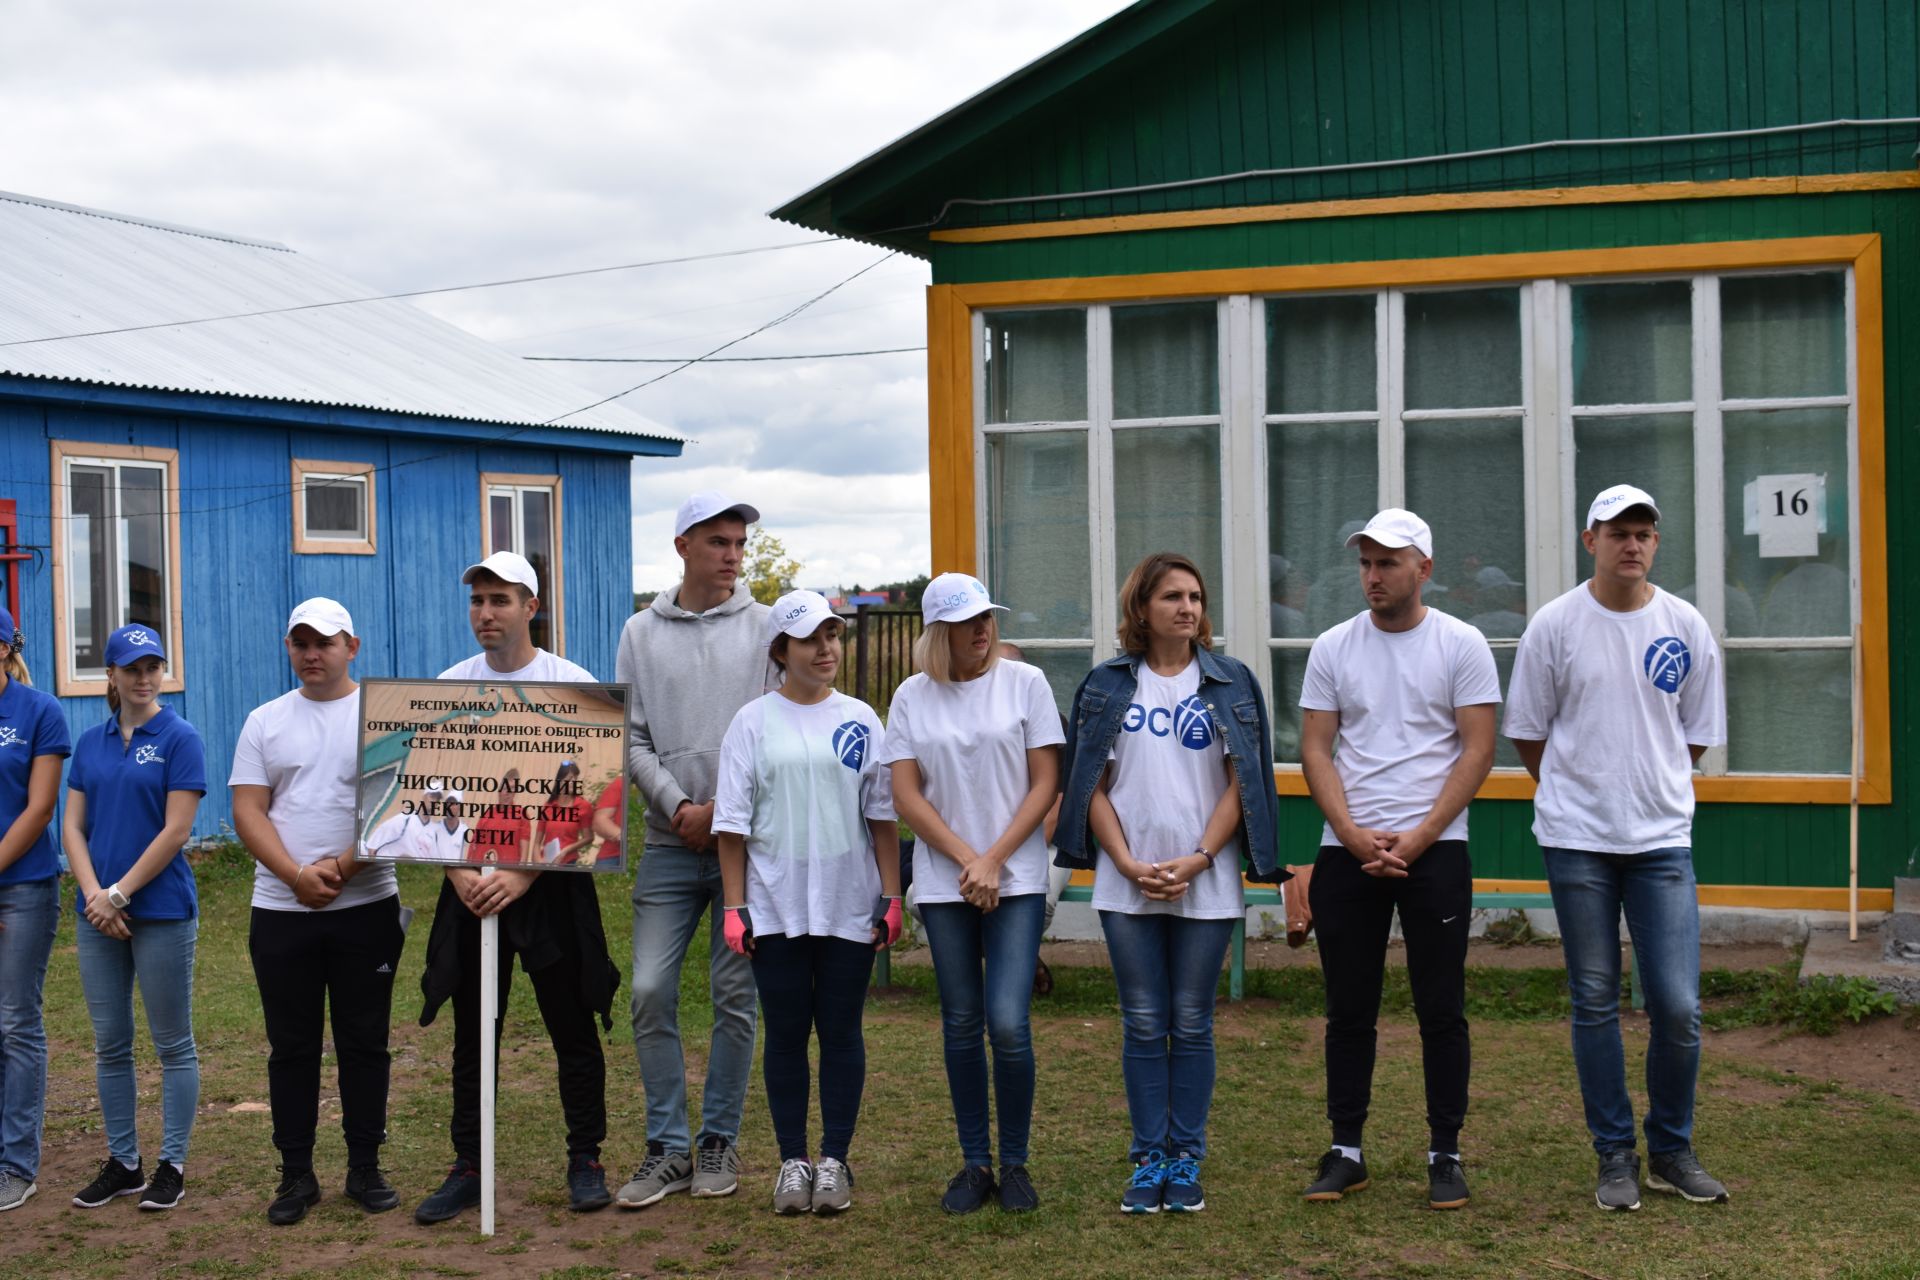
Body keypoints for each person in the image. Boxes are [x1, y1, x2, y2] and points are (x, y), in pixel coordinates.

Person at [1505, 484, 1729, 1212]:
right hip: (1577, 841)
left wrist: (1645, 787)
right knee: (1595, 999)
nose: (1631, 544)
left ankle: (1670, 1149)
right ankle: (1614, 1156)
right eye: (1617, 532)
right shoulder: (1556, 625)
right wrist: (1581, 790)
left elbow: (1692, 735)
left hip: (1661, 838)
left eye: (1644, 533)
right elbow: (1529, 731)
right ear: (1589, 540)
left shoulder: (1686, 625)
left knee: (1678, 1003)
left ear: (1656, 543)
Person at [1055, 552, 1283, 1215]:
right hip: (1128, 882)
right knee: (1143, 1022)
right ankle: (1148, 1156)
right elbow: (1087, 783)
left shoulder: (1232, 682)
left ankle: (1186, 1157)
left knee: (1192, 1022)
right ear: (1142, 609)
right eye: (1172, 597)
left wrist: (1200, 857)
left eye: (1195, 597)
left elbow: (1246, 782)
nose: (1187, 608)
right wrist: (1124, 861)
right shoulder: (1105, 684)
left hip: (1204, 880)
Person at [1294, 510, 1500, 1211]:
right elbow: (1316, 749)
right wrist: (1351, 835)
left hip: (1434, 851)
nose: (1373, 576)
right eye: (1365, 563)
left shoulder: (1462, 644)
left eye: (1387, 562)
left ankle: (1446, 1152)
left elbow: (1477, 751)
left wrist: (1418, 837)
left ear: (1425, 569)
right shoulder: (1332, 647)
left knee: (1441, 1008)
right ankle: (1345, 1150)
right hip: (1347, 853)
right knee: (1349, 1009)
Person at [413, 550, 620, 1222]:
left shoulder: (575, 687)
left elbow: (593, 801)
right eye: (477, 601)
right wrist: (458, 872)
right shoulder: (449, 689)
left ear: (532, 607)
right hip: (471, 884)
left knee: (572, 1023)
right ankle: (470, 1163)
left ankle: (585, 1157)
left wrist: (526, 870)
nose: (486, 613)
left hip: (550, 885)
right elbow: (428, 797)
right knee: (475, 1031)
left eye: (500, 600)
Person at [714, 590, 902, 1216]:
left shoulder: (862, 718)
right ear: (781, 650)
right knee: (788, 1034)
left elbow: (880, 817)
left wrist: (891, 893)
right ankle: (793, 1161)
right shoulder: (751, 722)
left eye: (834, 637)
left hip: (849, 904)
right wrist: (735, 908)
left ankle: (835, 1162)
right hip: (775, 908)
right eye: (811, 639)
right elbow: (732, 827)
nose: (826, 649)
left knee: (842, 1032)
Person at [882, 575, 1062, 1214]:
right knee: (960, 1022)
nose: (983, 630)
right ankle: (974, 1163)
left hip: (1015, 878)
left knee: (1008, 1022)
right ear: (939, 633)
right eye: (968, 622)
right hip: (944, 881)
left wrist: (993, 860)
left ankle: (1015, 1163)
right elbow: (905, 795)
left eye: (988, 617)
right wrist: (966, 861)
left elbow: (1045, 782)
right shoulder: (911, 697)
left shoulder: (1026, 683)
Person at [613, 492, 768, 1209]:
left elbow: (774, 728)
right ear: (682, 546)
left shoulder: (769, 629)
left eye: (739, 543)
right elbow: (629, 736)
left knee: (736, 996)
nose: (733, 555)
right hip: (668, 845)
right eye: (718, 542)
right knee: (649, 989)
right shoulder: (641, 633)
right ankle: (667, 1146)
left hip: (746, 845)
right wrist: (678, 807)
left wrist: (722, 813)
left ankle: (717, 1140)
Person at [231, 598, 405, 1225]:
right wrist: (295, 875)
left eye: (324, 643)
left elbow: (394, 801)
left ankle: (365, 1167)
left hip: (366, 907)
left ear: (351, 647)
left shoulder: (382, 716)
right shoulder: (265, 721)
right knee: (292, 1047)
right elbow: (248, 809)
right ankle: (296, 1174)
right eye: (300, 642)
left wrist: (343, 868)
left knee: (365, 1043)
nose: (312, 654)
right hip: (280, 910)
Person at [64, 623, 206, 1212]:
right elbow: (72, 826)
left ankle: (171, 1164)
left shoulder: (180, 737)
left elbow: (177, 829)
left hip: (162, 909)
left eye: (153, 667)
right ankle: (125, 1163)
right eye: (133, 669)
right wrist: (96, 896)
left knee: (173, 1043)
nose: (145, 678)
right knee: (110, 1044)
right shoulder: (90, 742)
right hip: (96, 914)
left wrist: (118, 894)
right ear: (112, 677)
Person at [0, 606, 71, 1212]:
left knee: (15, 1021)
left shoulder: (39, 711)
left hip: (22, 885)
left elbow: (40, 808)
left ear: (3, 648)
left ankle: (15, 1163)